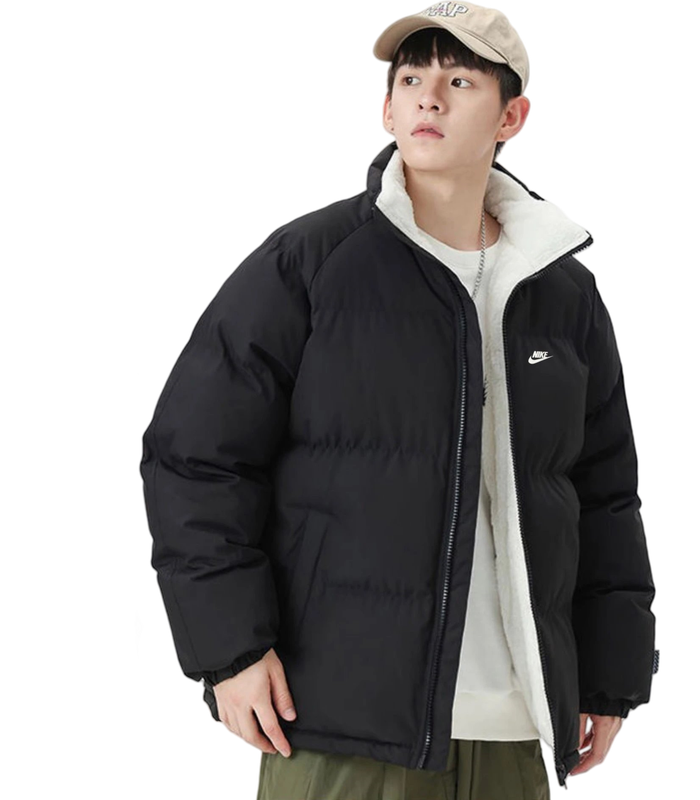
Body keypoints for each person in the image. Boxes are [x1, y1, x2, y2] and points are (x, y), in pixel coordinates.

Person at [139, 3, 658, 798]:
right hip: (342, 721)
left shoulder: (560, 292)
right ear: (385, 109)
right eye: (411, 80)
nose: (429, 99)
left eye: (460, 81)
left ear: (511, 118)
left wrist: (609, 679)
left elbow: (603, 498)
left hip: (516, 726)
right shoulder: (310, 262)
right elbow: (195, 458)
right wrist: (230, 650)